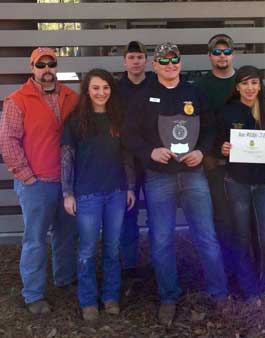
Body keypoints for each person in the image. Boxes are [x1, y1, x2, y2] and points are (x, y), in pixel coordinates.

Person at [123, 42, 228, 325]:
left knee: (206, 235)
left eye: (174, 60)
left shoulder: (194, 93)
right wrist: (149, 152)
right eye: (164, 61)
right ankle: (169, 296)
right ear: (154, 65)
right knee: (161, 238)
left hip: (193, 174)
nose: (170, 65)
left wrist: (201, 151)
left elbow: (210, 128)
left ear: (180, 63)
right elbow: (129, 135)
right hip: (159, 178)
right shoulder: (143, 96)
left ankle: (219, 294)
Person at [0, 47, 78, 314]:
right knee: (35, 239)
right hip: (37, 183)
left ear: (56, 66)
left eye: (51, 64)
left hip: (67, 184)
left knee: (66, 235)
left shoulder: (71, 97)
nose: (46, 70)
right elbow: (8, 141)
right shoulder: (17, 100)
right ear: (32, 68)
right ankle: (33, 294)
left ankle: (65, 279)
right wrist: (26, 177)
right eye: (40, 65)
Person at [61, 68, 135, 320]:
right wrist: (67, 192)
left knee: (113, 249)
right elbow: (67, 158)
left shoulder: (118, 118)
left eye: (105, 87)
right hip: (87, 195)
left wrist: (130, 187)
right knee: (87, 251)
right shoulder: (76, 120)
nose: (101, 92)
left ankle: (111, 297)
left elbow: (127, 156)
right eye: (95, 88)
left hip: (116, 192)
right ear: (87, 91)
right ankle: (88, 301)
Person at [217, 66, 265, 299]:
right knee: (241, 237)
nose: (250, 88)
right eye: (245, 83)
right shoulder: (227, 112)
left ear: (260, 85)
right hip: (237, 182)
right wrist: (222, 149)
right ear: (237, 87)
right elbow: (216, 143)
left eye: (254, 83)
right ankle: (248, 288)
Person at [196, 34, 236, 276]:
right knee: (220, 217)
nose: (222, 56)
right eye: (217, 52)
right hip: (213, 163)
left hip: (245, 163)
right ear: (210, 56)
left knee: (246, 219)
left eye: (226, 51)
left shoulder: (246, 80)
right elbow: (195, 122)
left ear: (233, 54)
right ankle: (225, 269)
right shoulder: (201, 87)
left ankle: (246, 267)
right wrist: (205, 154)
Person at [118, 41, 154, 281]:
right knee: (127, 215)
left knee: (157, 214)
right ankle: (129, 266)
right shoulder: (116, 88)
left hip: (153, 160)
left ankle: (156, 263)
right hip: (125, 161)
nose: (136, 61)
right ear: (125, 62)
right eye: (132, 57)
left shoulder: (155, 83)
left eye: (140, 57)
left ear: (146, 60)